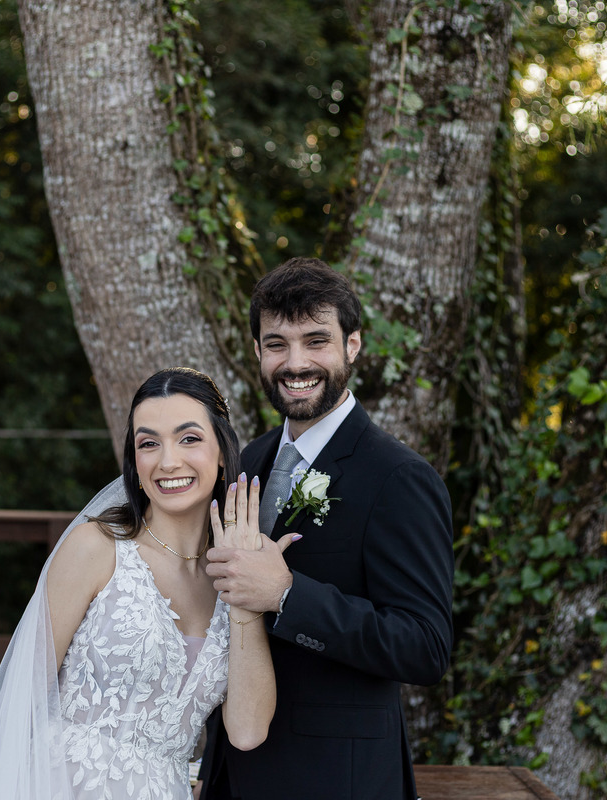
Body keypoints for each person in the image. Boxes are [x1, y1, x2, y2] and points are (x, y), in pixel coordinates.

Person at [0, 367, 293, 800]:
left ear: (223, 452)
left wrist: (242, 593)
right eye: (149, 443)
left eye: (189, 438)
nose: (168, 461)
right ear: (135, 459)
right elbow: (21, 703)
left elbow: (247, 731)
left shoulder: (235, 574)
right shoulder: (95, 548)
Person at [199, 258, 455, 800]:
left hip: (337, 778)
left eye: (316, 341)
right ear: (258, 351)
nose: (296, 363)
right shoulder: (249, 461)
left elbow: (425, 647)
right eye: (277, 344)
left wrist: (287, 595)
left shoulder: (399, 477)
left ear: (352, 345)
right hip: (233, 772)